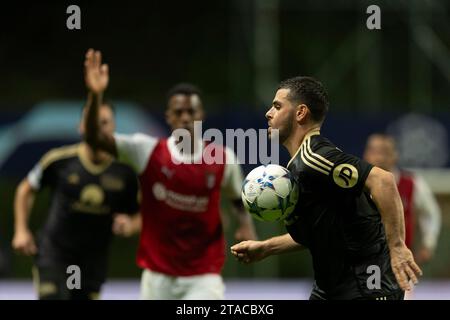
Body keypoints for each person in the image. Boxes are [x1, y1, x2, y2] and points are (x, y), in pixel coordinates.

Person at [83, 49, 256, 300]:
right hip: (157, 276)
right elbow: (94, 139)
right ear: (168, 117)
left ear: (201, 116)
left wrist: (245, 227)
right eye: (178, 112)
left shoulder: (223, 158)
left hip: (203, 276)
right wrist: (96, 95)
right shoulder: (147, 151)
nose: (185, 117)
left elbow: (237, 198)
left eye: (191, 112)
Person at [231, 76, 422, 300]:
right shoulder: (299, 168)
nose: (268, 113)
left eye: (277, 106)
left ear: (300, 113)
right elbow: (321, 232)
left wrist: (398, 246)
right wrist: (266, 247)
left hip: (367, 286)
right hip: (331, 288)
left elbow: (383, 181)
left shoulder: (315, 158)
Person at [12, 101, 140, 300]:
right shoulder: (59, 160)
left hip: (91, 261)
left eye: (104, 122)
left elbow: (144, 212)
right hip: (55, 254)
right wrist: (21, 230)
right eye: (92, 122)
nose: (98, 128)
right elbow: (26, 188)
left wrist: (131, 224)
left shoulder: (125, 171)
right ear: (80, 126)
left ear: (114, 127)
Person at [363, 133, 441, 264]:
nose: (379, 157)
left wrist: (428, 243)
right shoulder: (355, 184)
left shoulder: (411, 184)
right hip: (362, 263)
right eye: (374, 151)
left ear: (395, 156)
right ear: (365, 154)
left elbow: (431, 214)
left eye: (385, 152)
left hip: (399, 263)